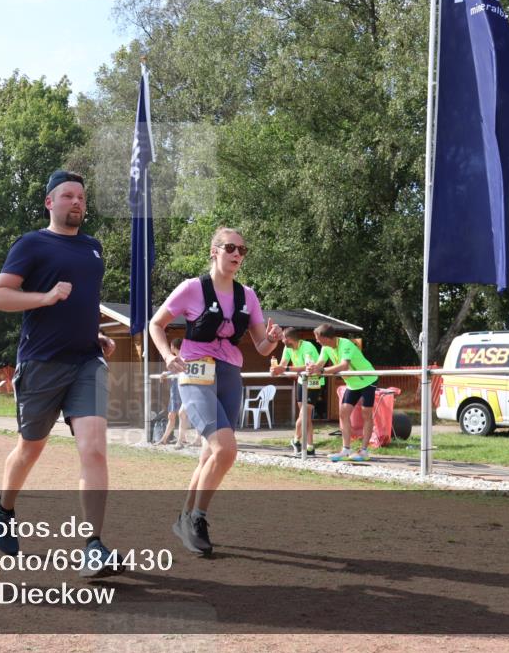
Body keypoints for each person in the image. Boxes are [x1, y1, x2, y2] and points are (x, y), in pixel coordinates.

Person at [0, 169, 121, 578]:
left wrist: (95, 333)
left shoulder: (93, 247)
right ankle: (3, 507)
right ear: (50, 202)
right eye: (67, 196)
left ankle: (93, 545)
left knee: (94, 449)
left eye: (81, 196)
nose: (76, 202)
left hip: (85, 361)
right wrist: (44, 298)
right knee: (31, 448)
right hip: (42, 364)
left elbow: (82, 303)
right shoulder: (32, 244)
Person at [149, 227, 282, 556]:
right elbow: (155, 324)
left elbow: (262, 347)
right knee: (225, 450)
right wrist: (169, 355)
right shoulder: (192, 288)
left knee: (210, 454)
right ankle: (198, 518)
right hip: (195, 371)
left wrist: (273, 338)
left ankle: (184, 518)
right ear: (214, 251)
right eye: (231, 248)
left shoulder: (248, 296)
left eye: (242, 250)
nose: (237, 254)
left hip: (229, 374)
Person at [306, 323, 379, 462]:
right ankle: (346, 449)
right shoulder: (326, 347)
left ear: (327, 338)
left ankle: (364, 451)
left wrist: (321, 371)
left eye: (318, 338)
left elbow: (344, 365)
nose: (316, 341)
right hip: (352, 384)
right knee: (343, 413)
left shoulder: (346, 344)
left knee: (366, 413)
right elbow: (321, 362)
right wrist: (314, 367)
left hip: (368, 379)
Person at [270, 327, 323, 456]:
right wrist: (276, 369)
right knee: (305, 415)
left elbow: (308, 367)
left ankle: (295, 439)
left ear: (288, 339)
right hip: (301, 381)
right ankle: (310, 447)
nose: (282, 340)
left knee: (305, 413)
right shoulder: (287, 348)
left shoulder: (308, 346)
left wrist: (285, 369)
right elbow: (283, 364)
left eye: (282, 338)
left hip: (314, 381)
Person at [155, 338, 193, 449]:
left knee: (183, 414)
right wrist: (166, 374)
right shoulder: (175, 358)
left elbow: (179, 369)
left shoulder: (183, 358)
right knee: (171, 415)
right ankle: (164, 439)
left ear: (172, 346)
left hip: (184, 390)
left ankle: (182, 440)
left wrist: (165, 373)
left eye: (170, 346)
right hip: (175, 391)